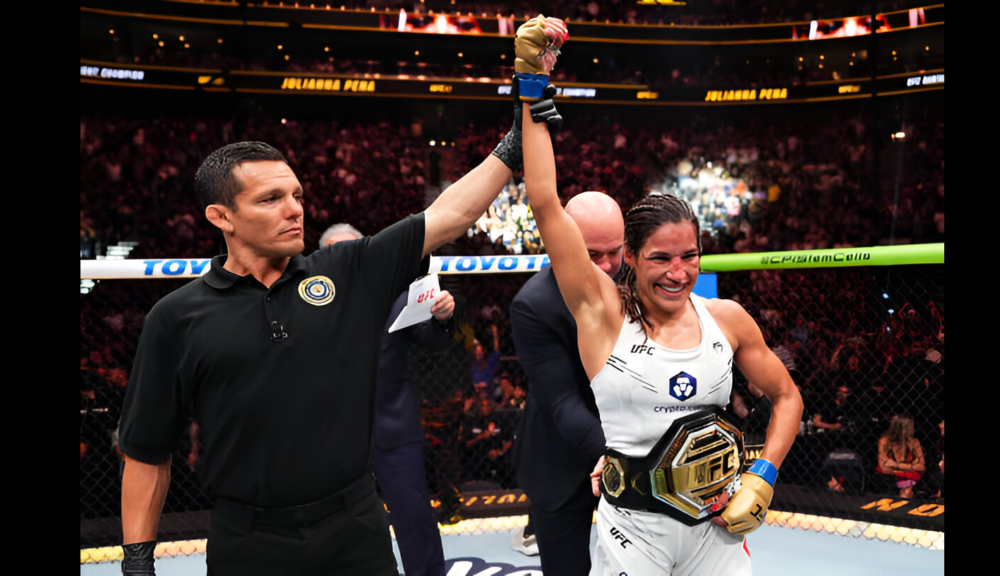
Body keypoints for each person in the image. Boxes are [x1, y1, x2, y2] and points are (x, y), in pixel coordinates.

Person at [117, 63, 567, 574]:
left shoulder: (346, 269)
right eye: (271, 199)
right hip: (247, 540)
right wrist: (137, 561)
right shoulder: (176, 317)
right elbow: (147, 451)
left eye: (297, 196)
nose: (295, 209)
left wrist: (515, 140)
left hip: (353, 525)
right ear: (221, 217)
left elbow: (449, 217)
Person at [521, 74, 803, 574]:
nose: (679, 272)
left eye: (689, 256)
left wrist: (763, 475)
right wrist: (531, 88)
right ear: (630, 257)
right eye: (661, 259)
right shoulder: (603, 317)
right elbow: (545, 200)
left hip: (718, 530)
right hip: (634, 532)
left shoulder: (729, 318)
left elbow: (787, 398)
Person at [322, 224, 455, 576]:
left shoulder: (397, 299)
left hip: (393, 427)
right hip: (332, 434)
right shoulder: (308, 308)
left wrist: (442, 318)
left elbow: (432, 339)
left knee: (414, 514)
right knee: (334, 522)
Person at [510, 191, 624, 573]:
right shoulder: (535, 304)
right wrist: (623, 455)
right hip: (558, 458)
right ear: (563, 240)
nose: (608, 265)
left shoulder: (639, 286)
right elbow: (562, 401)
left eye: (616, 251)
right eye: (594, 254)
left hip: (632, 446)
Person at [875, 415, 926, 499]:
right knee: (905, 489)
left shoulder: (914, 442)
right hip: (890, 477)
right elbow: (884, 467)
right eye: (910, 427)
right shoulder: (885, 441)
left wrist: (895, 465)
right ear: (902, 429)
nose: (913, 430)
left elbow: (921, 466)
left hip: (910, 477)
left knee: (907, 490)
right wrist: (911, 466)